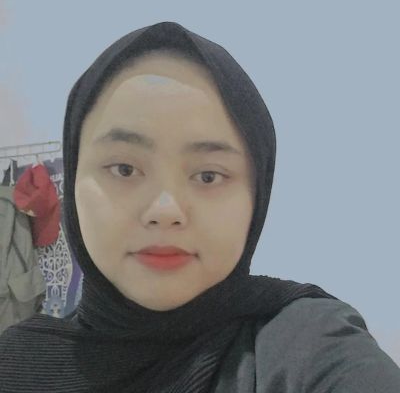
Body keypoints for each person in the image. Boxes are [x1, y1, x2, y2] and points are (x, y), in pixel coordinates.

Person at [1, 21, 399, 393]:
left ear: (256, 195)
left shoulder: (306, 344)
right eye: (124, 169)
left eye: (209, 175)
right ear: (74, 180)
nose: (165, 210)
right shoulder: (14, 364)